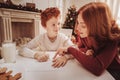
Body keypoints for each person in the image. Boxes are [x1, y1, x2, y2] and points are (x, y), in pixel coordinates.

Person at [53, 2, 120, 79]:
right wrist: (83, 51)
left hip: (113, 73)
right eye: (78, 22)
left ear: (97, 26)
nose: (78, 28)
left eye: (83, 25)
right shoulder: (84, 34)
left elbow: (97, 68)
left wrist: (70, 49)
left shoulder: (112, 38)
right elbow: (81, 48)